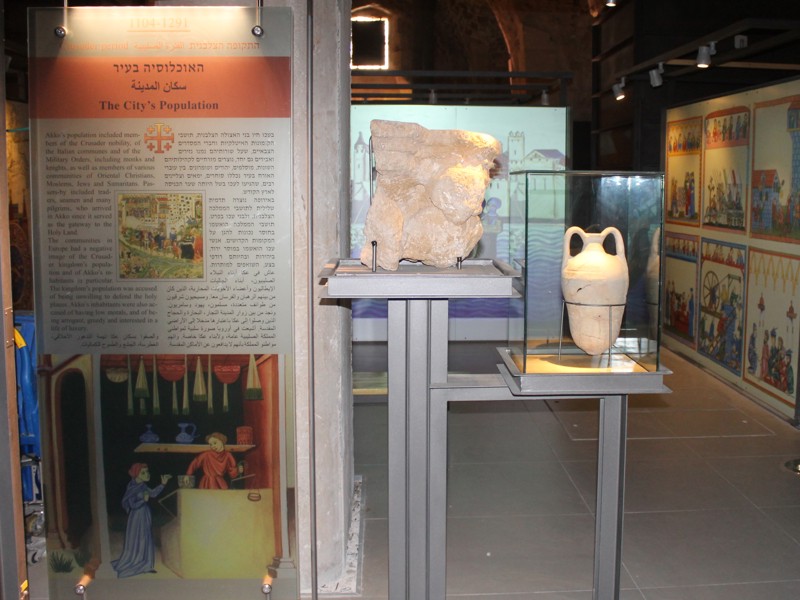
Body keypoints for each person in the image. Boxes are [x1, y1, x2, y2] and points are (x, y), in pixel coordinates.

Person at [112, 463, 172, 578]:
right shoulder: (132, 487)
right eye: (143, 472)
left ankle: (146, 565)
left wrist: (163, 484)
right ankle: (135, 562)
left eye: (147, 472)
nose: (147, 474)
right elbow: (132, 505)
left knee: (145, 537)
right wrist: (143, 500)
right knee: (137, 537)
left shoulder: (143, 486)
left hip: (144, 514)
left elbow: (153, 493)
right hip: (136, 517)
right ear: (136, 474)